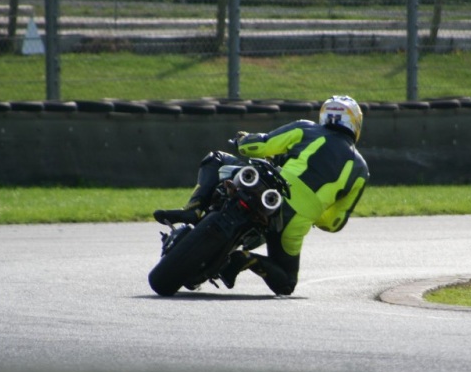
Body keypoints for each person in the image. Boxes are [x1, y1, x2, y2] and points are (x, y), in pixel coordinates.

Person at [153, 95, 369, 296]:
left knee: (216, 158)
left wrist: (242, 141)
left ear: (324, 115)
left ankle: (194, 208)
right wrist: (312, 212)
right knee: (285, 284)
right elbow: (335, 223)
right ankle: (247, 260)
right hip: (295, 221)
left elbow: (258, 145)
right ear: (355, 124)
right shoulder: (360, 169)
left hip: (265, 184)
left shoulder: (307, 128)